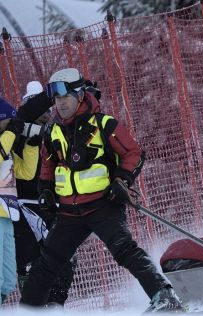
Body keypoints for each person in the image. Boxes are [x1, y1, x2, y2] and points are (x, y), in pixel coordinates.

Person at [19, 68, 185, 312]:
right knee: (47, 262)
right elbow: (48, 163)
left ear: (79, 95)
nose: (60, 103)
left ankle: (165, 296)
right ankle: (28, 310)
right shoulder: (55, 131)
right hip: (68, 211)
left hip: (102, 204)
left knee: (124, 250)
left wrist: (121, 181)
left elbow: (133, 153)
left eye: (65, 97)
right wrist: (45, 189)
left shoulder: (103, 124)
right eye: (56, 99)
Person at [12, 81, 76, 307]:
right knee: (30, 260)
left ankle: (56, 304)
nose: (45, 116)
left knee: (65, 255)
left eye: (47, 113)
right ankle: (33, 306)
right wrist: (50, 93)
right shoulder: (18, 131)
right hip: (23, 205)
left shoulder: (56, 132)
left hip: (51, 203)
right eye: (41, 111)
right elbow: (24, 115)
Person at [0, 97, 24, 304]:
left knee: (7, 280)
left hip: (6, 213)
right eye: (8, 122)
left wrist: (31, 146)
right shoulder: (3, 143)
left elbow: (26, 172)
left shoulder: (6, 147)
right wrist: (10, 133)